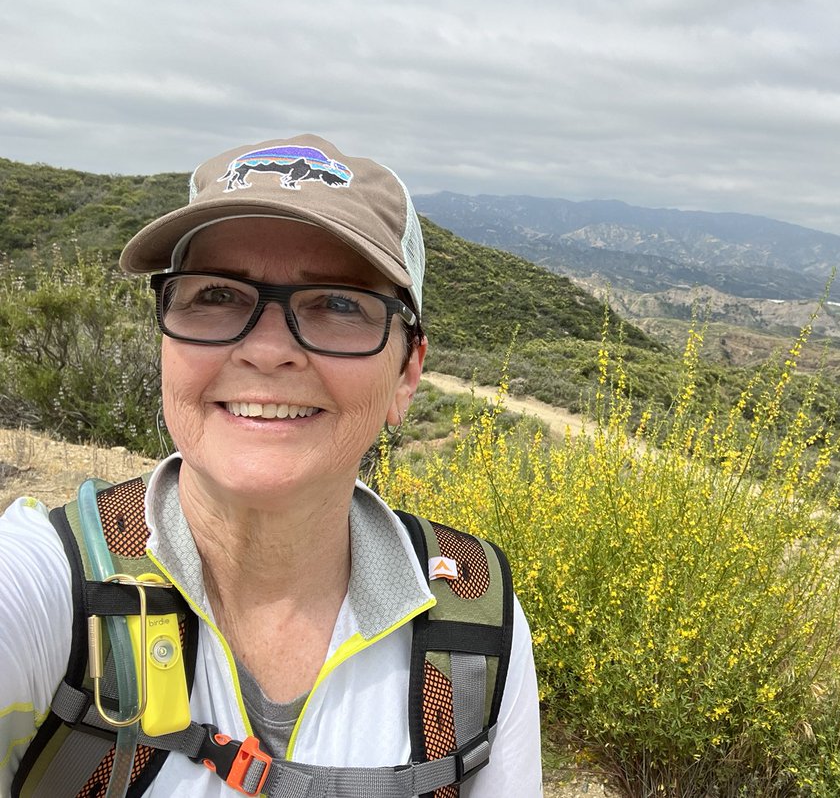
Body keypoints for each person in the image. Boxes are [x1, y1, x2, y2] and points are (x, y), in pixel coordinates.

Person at [0, 135, 542, 796]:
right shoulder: (46, 585)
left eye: (339, 304)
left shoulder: (476, 624)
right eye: (217, 296)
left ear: (407, 373)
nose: (265, 350)